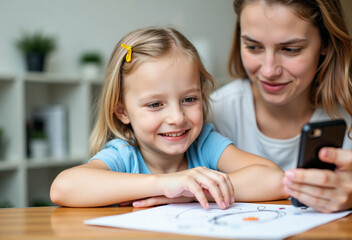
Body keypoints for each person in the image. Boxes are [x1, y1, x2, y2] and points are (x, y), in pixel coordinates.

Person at [50, 27, 287, 209]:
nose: (177, 117)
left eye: (189, 99)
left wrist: (191, 192)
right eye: (155, 104)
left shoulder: (204, 143)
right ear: (122, 111)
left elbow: (275, 179)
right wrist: (166, 184)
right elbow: (63, 188)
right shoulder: (124, 154)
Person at [210, 0, 352, 213]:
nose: (269, 70)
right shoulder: (216, 112)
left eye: (290, 49)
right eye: (253, 47)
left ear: (326, 43)